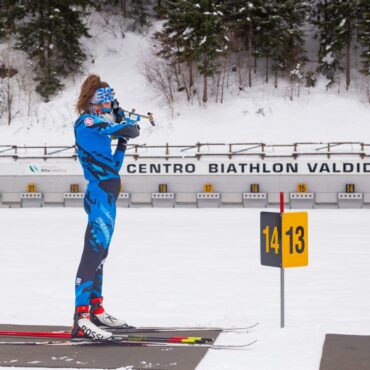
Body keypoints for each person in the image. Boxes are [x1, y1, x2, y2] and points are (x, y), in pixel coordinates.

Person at [72, 74, 140, 340]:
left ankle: (96, 310)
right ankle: (81, 316)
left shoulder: (101, 125)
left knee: (101, 254)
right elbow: (123, 128)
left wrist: (123, 142)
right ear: (94, 102)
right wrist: (125, 125)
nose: (110, 106)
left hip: (108, 195)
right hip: (99, 195)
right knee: (92, 254)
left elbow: (112, 165)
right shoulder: (87, 121)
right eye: (107, 102)